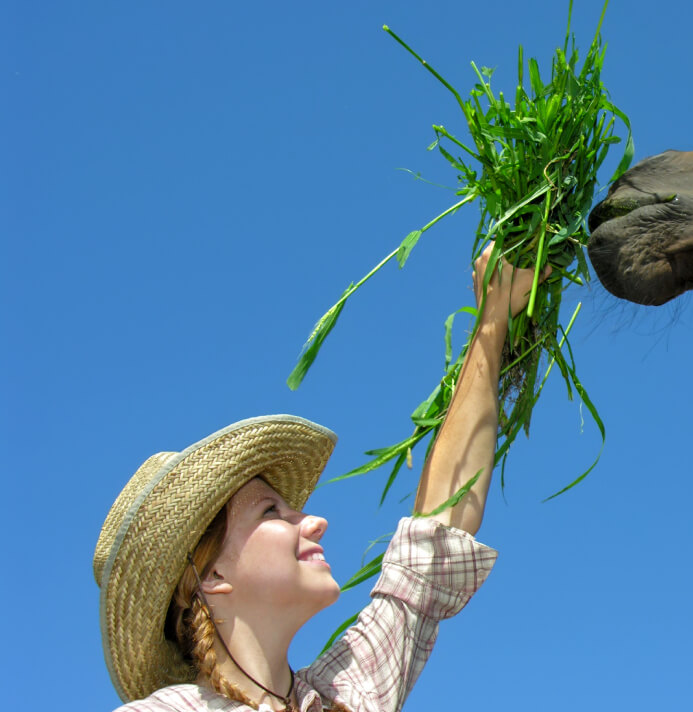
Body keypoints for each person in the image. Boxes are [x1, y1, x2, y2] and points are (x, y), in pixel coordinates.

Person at [93, 244, 537, 711]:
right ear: (212, 575)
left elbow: (435, 538)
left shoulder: (343, 695)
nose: (315, 520)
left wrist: (493, 319)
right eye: (271, 510)